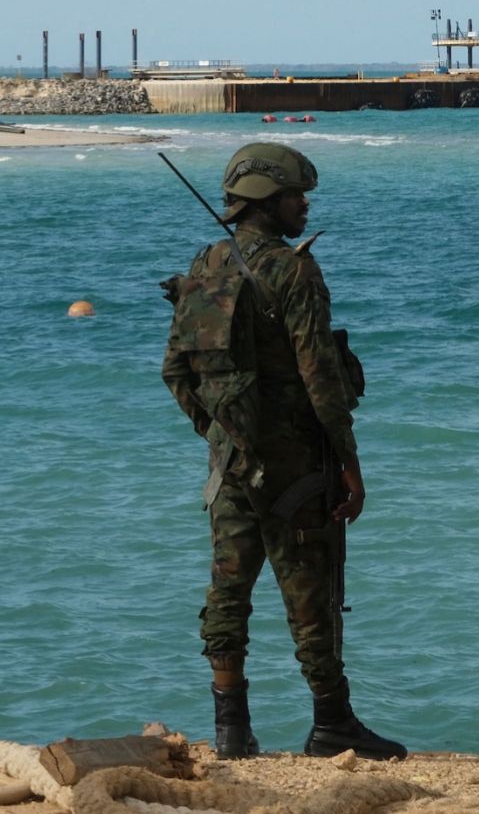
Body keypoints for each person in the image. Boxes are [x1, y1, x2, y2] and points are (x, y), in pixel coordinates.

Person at [160, 142, 407, 761]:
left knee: (227, 590)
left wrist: (222, 433)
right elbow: (321, 377)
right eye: (298, 195)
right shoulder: (293, 271)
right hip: (296, 464)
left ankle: (231, 732)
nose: (304, 205)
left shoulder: (205, 264)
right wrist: (350, 466)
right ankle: (332, 725)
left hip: (230, 464)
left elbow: (175, 371)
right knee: (311, 593)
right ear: (270, 200)